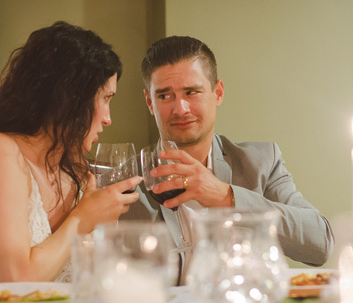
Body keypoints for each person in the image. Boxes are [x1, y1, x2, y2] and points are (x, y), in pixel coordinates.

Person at [0, 21, 142, 289]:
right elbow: (15, 281)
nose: (108, 119)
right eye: (104, 99)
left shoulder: (73, 169)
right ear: (68, 98)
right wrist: (82, 219)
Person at [124, 35, 334, 275]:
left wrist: (227, 197)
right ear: (150, 103)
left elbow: (320, 244)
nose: (180, 108)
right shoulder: (127, 180)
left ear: (218, 93)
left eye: (191, 92)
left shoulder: (262, 162)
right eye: (164, 96)